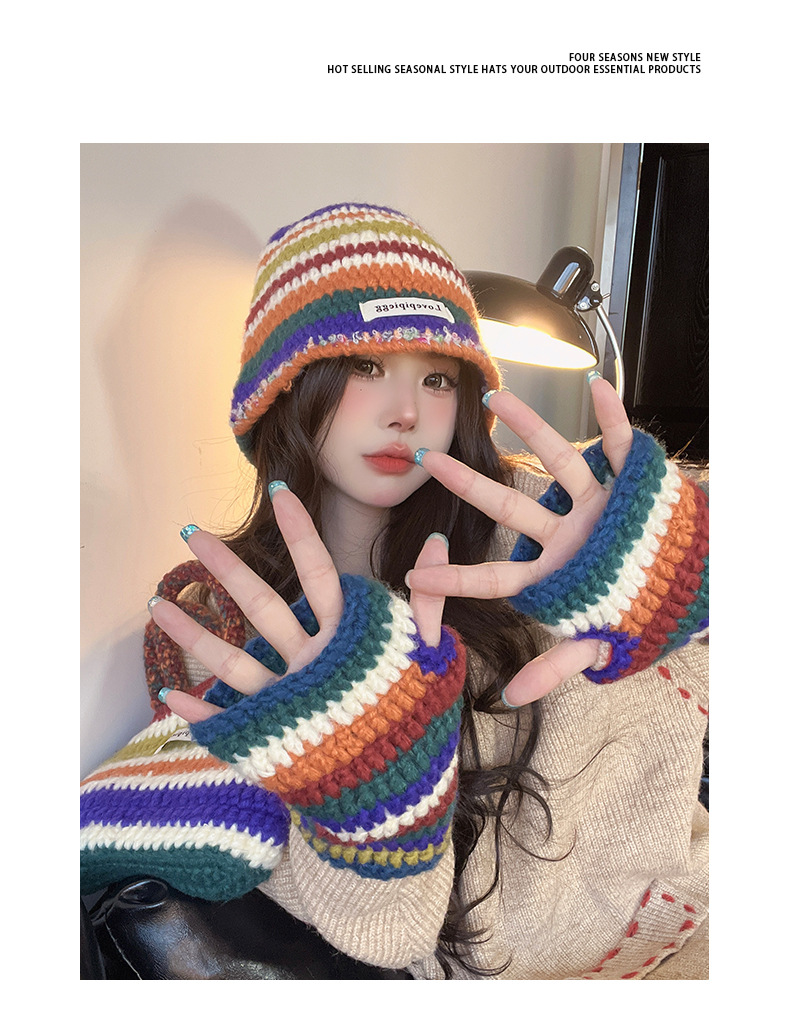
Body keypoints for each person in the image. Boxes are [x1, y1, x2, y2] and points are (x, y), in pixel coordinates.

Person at [80, 202, 709, 979]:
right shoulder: (225, 627)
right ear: (286, 387)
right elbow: (383, 931)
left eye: (437, 378)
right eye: (366, 367)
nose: (406, 412)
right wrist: (370, 796)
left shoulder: (540, 530)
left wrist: (688, 587)